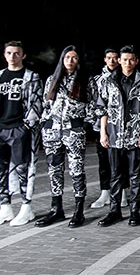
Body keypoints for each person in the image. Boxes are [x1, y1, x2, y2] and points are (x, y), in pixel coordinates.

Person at [0, 40, 43, 228]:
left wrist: (27, 125)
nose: (12, 56)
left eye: (16, 53)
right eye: (9, 53)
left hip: (19, 128)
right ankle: (5, 207)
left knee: (22, 169)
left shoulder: (31, 77)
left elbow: (37, 102)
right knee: (0, 168)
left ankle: (26, 207)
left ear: (23, 56)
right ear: (4, 55)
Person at [95, 45, 140, 227]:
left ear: (136, 61)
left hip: (135, 136)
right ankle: (114, 211)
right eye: (125, 59)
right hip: (114, 135)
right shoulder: (108, 82)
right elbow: (102, 108)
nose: (128, 63)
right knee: (115, 175)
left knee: (136, 175)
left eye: (131, 59)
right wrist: (103, 132)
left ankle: (135, 211)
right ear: (119, 60)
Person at [35, 46, 93, 228]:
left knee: (77, 170)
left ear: (79, 61)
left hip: (73, 130)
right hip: (52, 131)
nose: (70, 61)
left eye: (74, 58)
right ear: (62, 59)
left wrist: (84, 127)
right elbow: (45, 105)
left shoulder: (85, 80)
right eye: (67, 57)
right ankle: (56, 209)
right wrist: (45, 124)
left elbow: (92, 106)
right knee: (54, 170)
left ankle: (78, 210)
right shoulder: (52, 79)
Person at [88, 48, 122, 209]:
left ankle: (122, 191)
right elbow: (92, 101)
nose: (112, 61)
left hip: (120, 127)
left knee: (121, 161)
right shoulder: (97, 80)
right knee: (103, 161)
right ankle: (105, 192)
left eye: (115, 58)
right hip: (100, 126)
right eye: (109, 58)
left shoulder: (124, 77)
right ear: (105, 59)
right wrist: (92, 122)